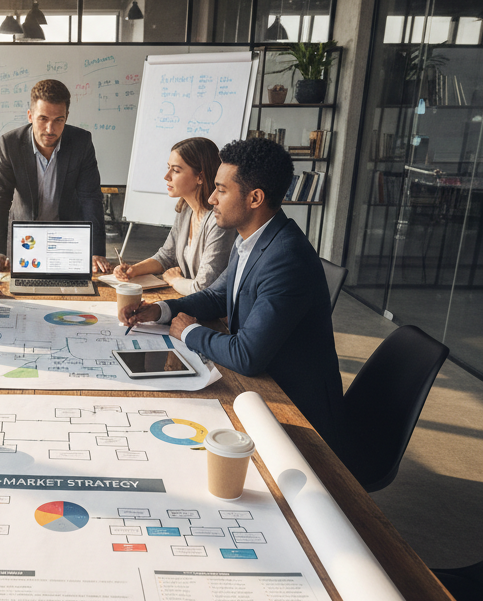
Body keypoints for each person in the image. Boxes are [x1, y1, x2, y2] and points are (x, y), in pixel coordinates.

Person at [119, 136, 348, 456]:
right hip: (262, 392)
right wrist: (160, 311)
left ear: (255, 198)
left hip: (296, 417)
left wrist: (188, 331)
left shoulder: (286, 259)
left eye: (222, 190)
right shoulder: (251, 238)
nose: (212, 198)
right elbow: (216, 296)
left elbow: (247, 356)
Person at [0, 78, 110, 274]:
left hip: (67, 238)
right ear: (30, 115)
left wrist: (95, 251)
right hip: (25, 237)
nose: (50, 129)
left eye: (58, 120)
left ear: (66, 117)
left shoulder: (81, 142)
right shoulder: (10, 144)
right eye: (43, 119)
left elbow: (90, 198)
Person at [113, 136, 234, 295]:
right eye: (168, 168)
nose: (166, 176)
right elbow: (166, 256)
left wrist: (174, 280)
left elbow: (204, 287)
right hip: (187, 299)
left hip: (210, 307)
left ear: (200, 177)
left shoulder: (219, 222)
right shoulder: (186, 210)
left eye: (176, 170)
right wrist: (134, 270)